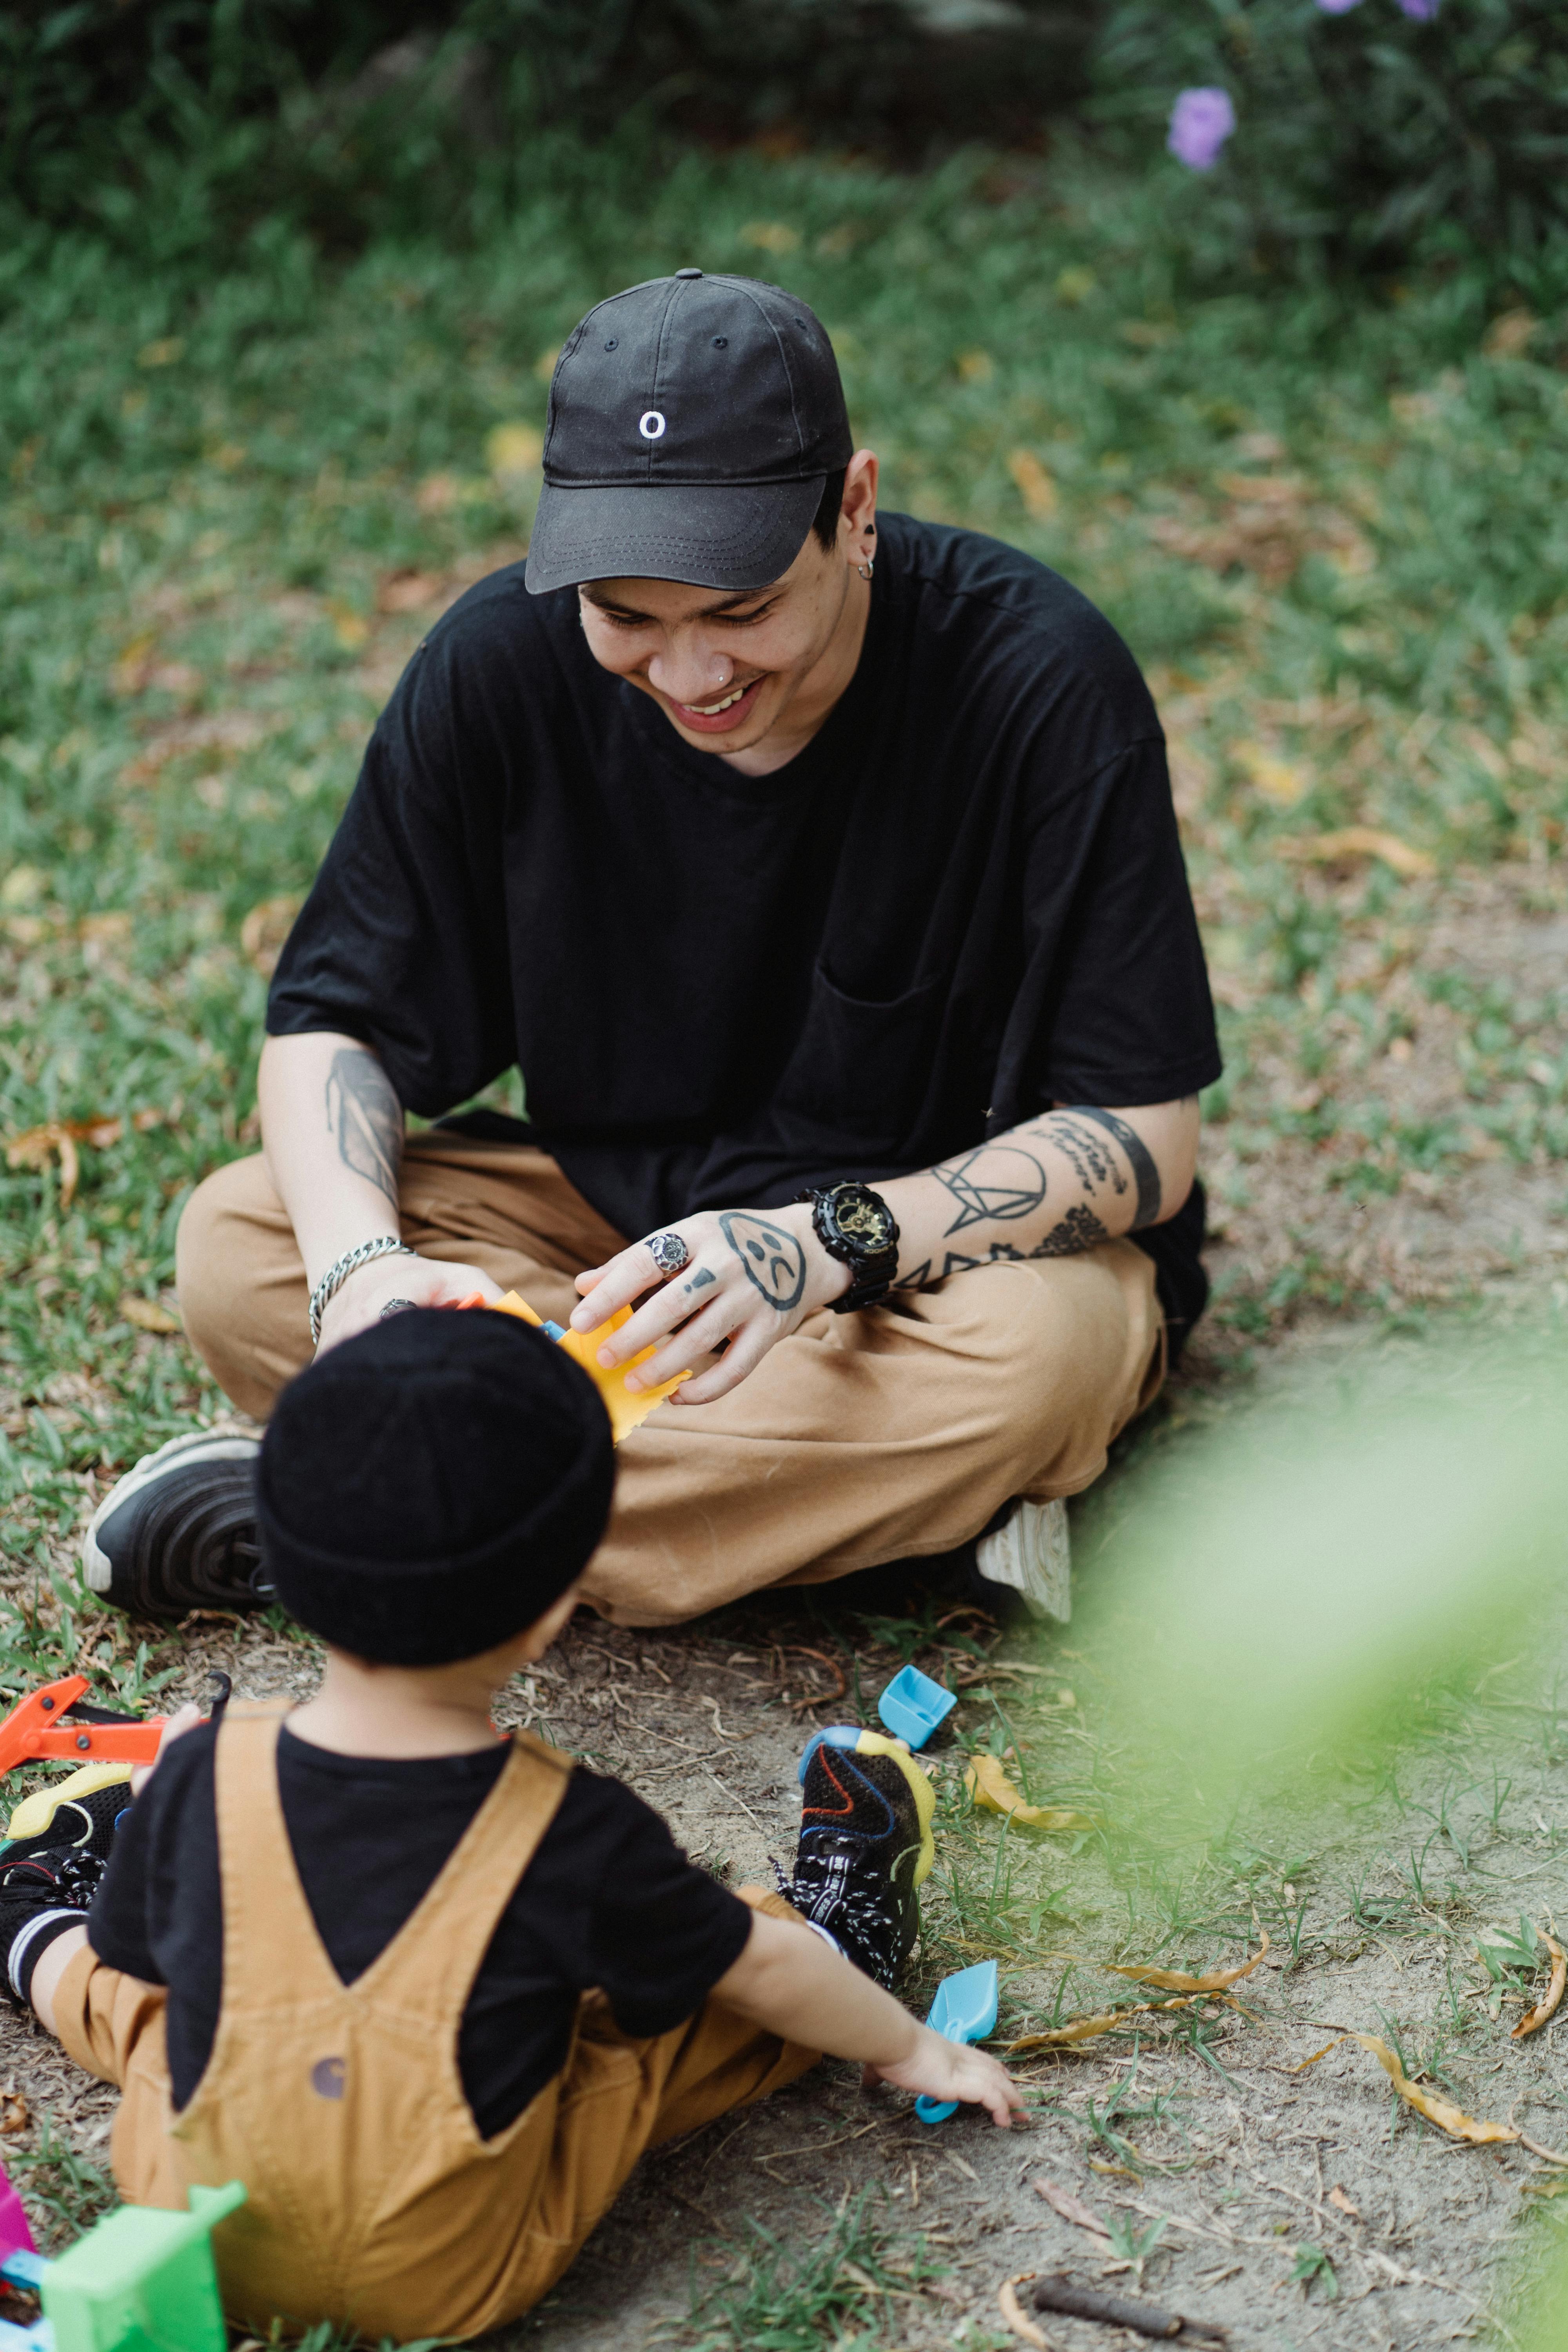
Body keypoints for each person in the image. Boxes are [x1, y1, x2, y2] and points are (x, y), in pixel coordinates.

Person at [83, 267, 1220, 1629]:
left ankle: (371, 1515)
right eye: (627, 618)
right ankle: (871, 1524)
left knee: (1039, 1362)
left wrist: (817, 1247)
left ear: (854, 512)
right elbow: (337, 1025)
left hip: (918, 1269)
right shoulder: (498, 664)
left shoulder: (1039, 679)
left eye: (740, 611)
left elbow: (1144, 1139)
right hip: (613, 1247)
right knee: (243, 1243)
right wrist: (362, 1274)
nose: (689, 677)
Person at [1, 1313, 1022, 2341]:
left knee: (148, 2004)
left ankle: (25, 1913)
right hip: (443, 2273)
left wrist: (173, 1800)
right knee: (684, 2003)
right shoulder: (573, 1835)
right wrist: (913, 2047)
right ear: (553, 1609)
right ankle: (846, 1931)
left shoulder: (200, 1776)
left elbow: (135, 1953)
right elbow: (756, 1969)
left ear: (287, 1577)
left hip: (201, 2233)